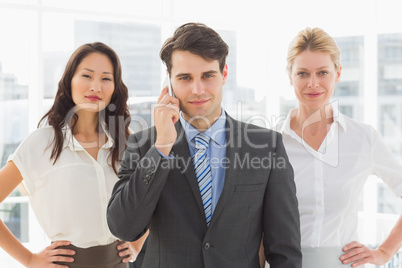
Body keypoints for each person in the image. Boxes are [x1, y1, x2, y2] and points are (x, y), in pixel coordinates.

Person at [107, 22, 302, 268]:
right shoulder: (144, 145)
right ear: (169, 81)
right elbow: (123, 227)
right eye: (185, 77)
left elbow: (285, 250)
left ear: (224, 74)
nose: (197, 89)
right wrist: (163, 147)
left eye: (208, 75)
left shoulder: (267, 146)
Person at [0, 42, 146, 267]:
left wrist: (136, 244)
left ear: (115, 87)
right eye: (87, 76)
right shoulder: (42, 143)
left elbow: (152, 197)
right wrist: (29, 259)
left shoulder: (125, 142)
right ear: (70, 80)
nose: (96, 87)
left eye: (106, 78)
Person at [276, 27, 402, 267]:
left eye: (322, 72)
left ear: (338, 73)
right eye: (303, 73)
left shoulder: (363, 139)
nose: (313, 83)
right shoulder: (273, 142)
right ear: (290, 76)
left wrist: (384, 252)